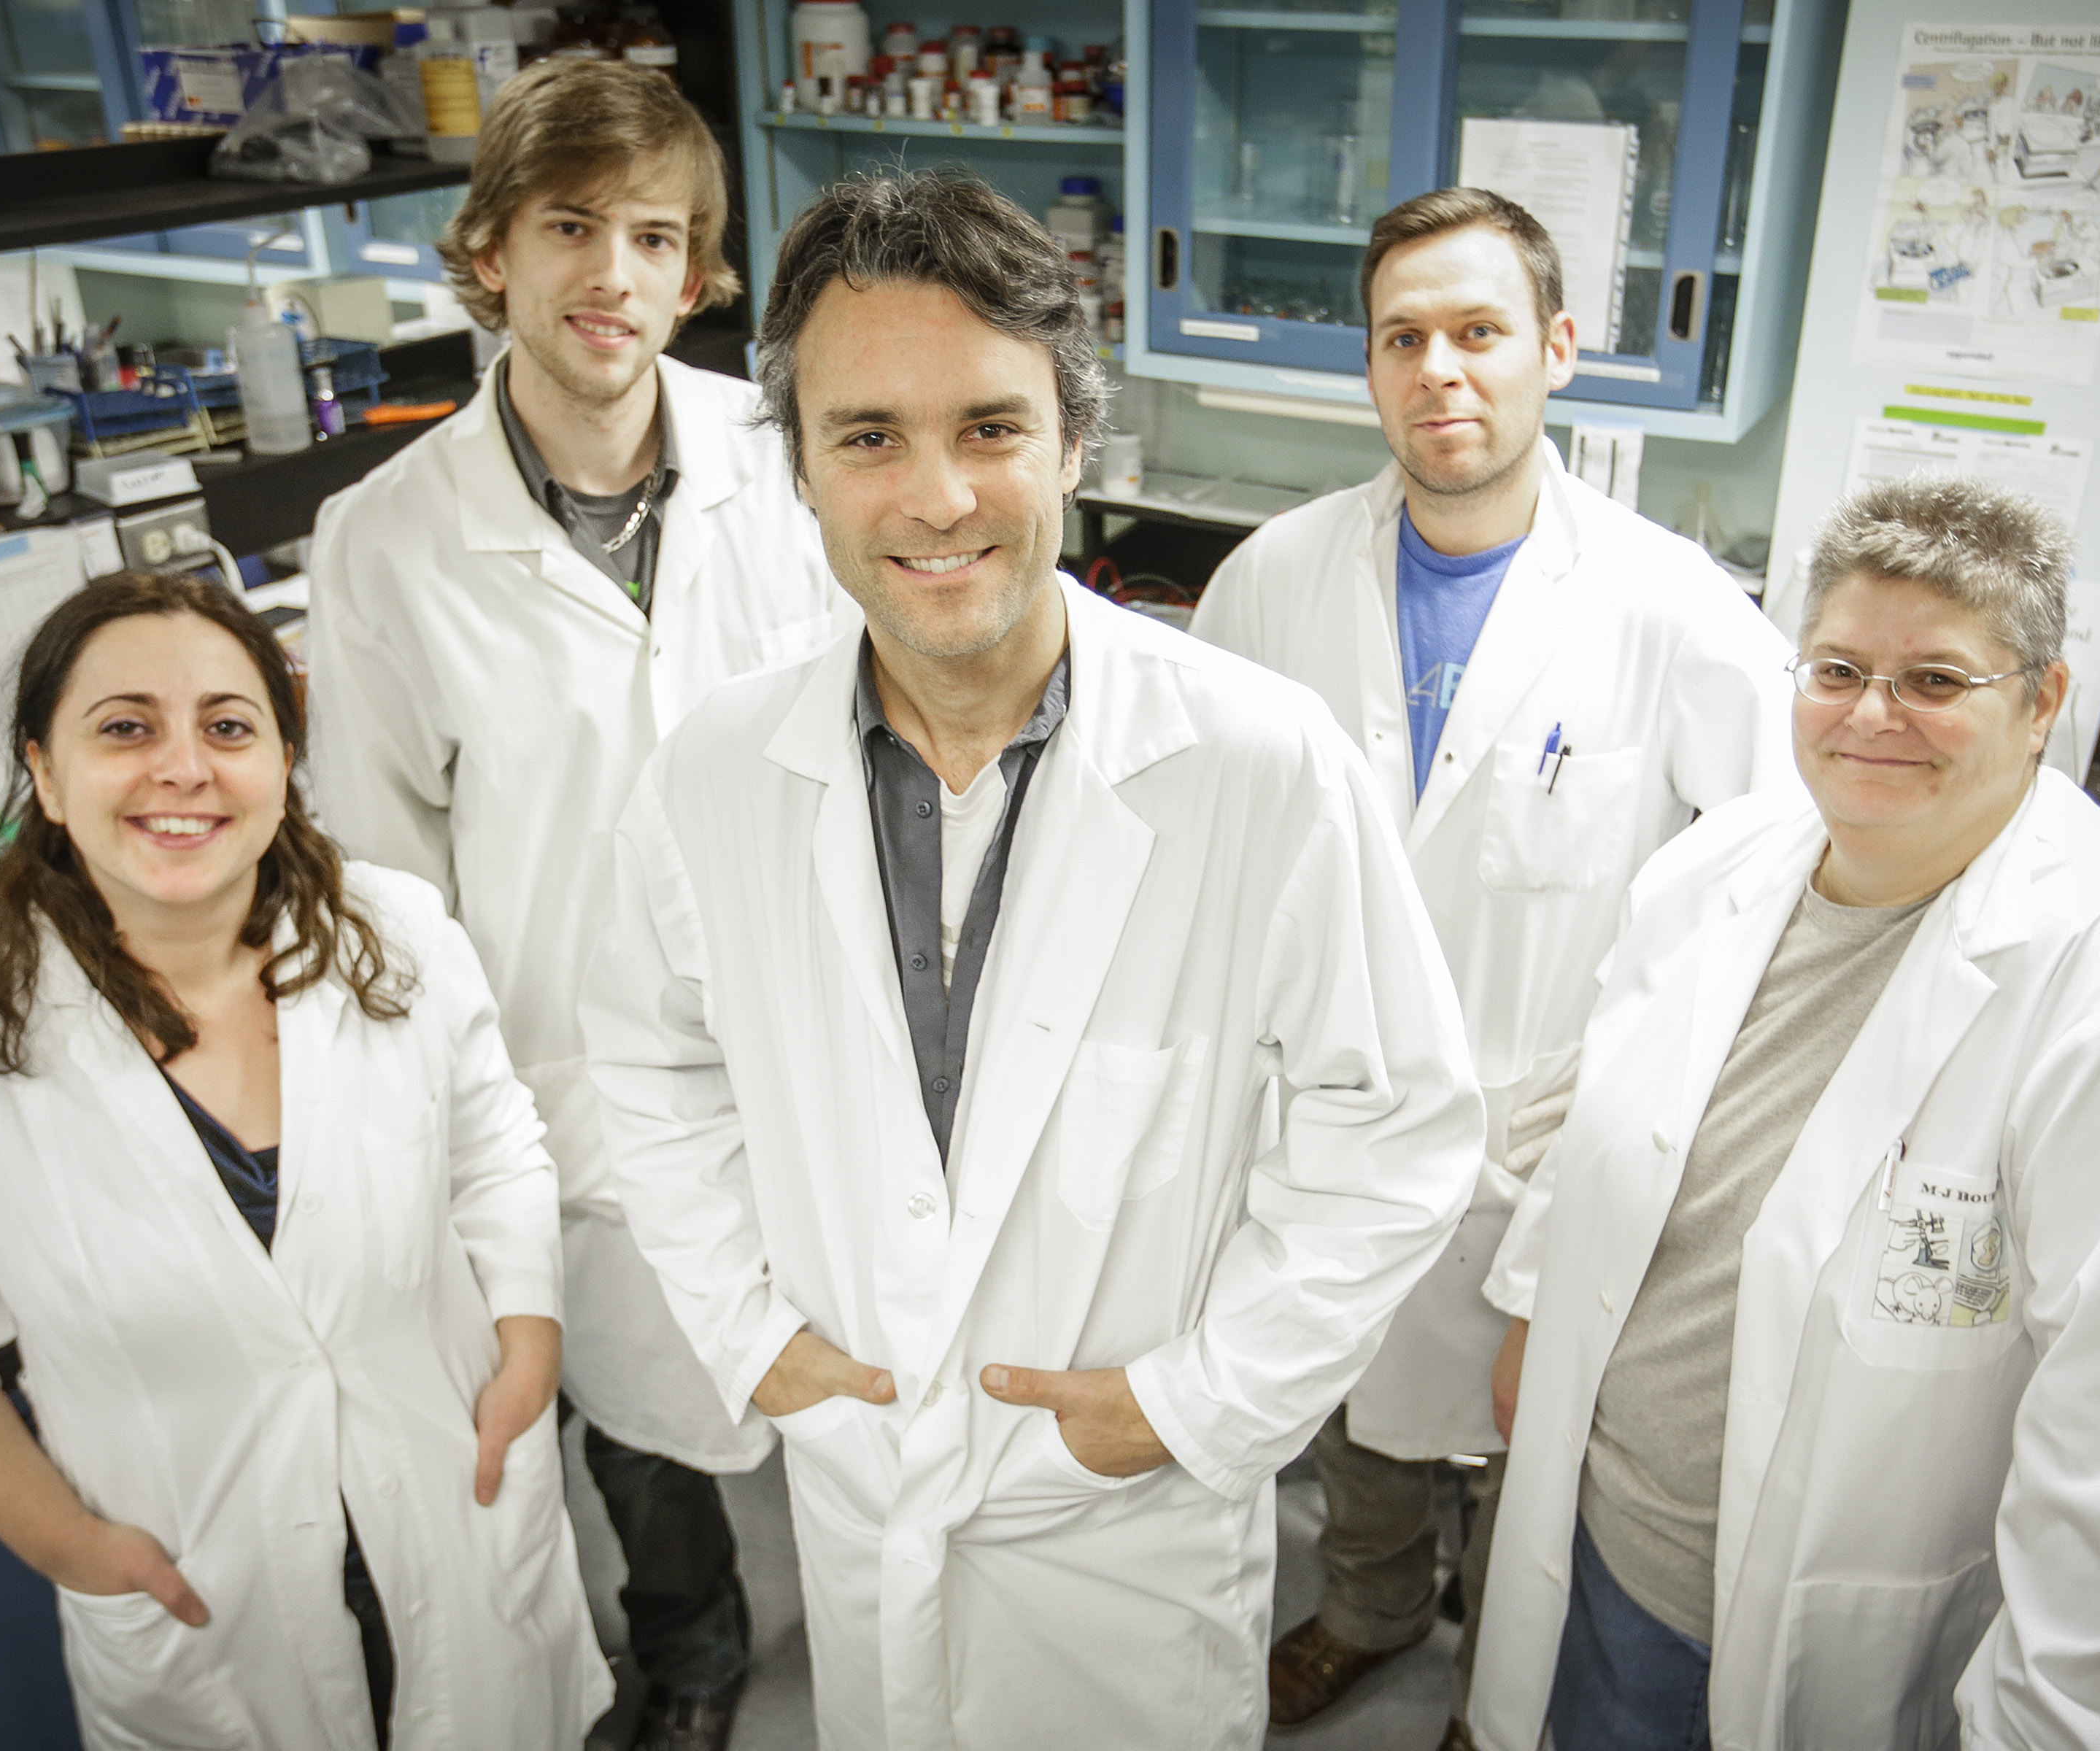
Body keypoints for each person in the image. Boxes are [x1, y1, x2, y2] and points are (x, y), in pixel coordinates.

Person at [579, 169, 1488, 1751]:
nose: (936, 498)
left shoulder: (1261, 763)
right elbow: (652, 1066)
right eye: (869, 436)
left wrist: (1196, 1401)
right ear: (801, 468)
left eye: (991, 427)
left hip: (1127, 1542)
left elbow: (1397, 1127)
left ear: (1074, 443)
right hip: (862, 1489)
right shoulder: (715, 772)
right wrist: (746, 1331)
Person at [1466, 478, 2100, 1751]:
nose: (1870, 714)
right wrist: (1534, 1311)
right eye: (1839, 669)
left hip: (1838, 1641)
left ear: (2043, 703)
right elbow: (1599, 1112)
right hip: (1598, 1542)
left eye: (1936, 681)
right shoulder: (1715, 868)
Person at [0, 571, 612, 1751]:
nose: (183, 768)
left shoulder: (398, 934)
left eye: (228, 727)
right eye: (125, 728)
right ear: (44, 772)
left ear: (284, 763)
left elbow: (494, 1152)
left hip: (461, 1515)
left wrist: (529, 1349)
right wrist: (71, 1547)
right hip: (200, 1588)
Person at [1192, 188, 1792, 1744]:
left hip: (1556, 1147)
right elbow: (1206, 847)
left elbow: (1772, 891)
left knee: (1542, 1467)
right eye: (1404, 339)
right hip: (1329, 1117)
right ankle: (1369, 1611)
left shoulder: (1677, 612)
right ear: (1370, 366)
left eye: (1479, 331)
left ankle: (1496, 1699)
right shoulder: (1272, 581)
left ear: (1558, 350)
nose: (1440, 371)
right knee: (1353, 1416)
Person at [306, 60, 848, 1750]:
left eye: (655, 237)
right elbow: (384, 883)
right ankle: (694, 1654)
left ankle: (895, 1647)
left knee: (861, 1381)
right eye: (569, 227)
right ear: (491, 253)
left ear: (698, 276)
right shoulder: (384, 541)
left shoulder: (799, 459)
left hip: (820, 1044)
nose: (612, 273)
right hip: (569, 1084)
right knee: (631, 1409)